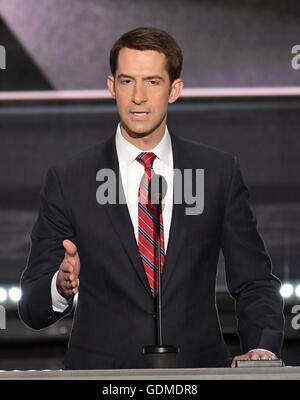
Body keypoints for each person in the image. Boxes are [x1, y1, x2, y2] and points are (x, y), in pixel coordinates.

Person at [18, 27, 284, 369]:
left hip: (197, 374)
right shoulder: (70, 180)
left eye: (152, 82)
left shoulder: (217, 173)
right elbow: (32, 309)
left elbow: (255, 281)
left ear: (174, 90)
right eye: (127, 81)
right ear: (112, 86)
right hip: (101, 379)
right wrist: (61, 285)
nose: (138, 97)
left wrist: (262, 349)